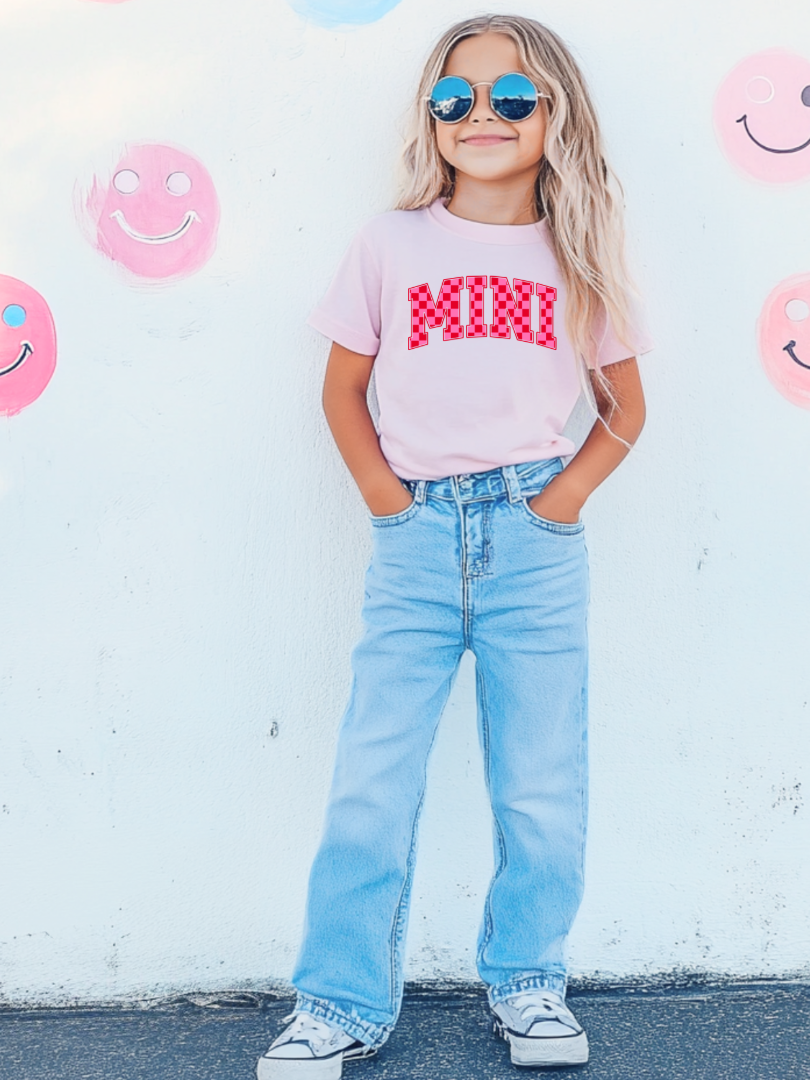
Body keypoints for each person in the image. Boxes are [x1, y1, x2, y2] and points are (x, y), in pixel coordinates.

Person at [257, 14, 650, 1078]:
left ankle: (530, 983)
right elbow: (342, 387)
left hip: (534, 544)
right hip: (417, 538)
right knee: (371, 780)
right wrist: (389, 500)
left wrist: (559, 503)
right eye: (455, 99)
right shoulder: (391, 245)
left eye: (512, 99)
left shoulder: (573, 258)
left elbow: (625, 406)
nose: (481, 117)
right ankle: (336, 1000)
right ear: (430, 119)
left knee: (539, 780)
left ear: (554, 115)